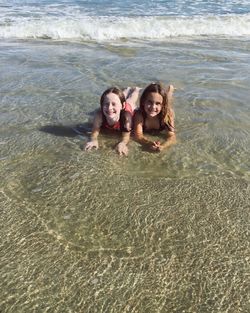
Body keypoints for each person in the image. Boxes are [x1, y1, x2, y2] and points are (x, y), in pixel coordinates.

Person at [84, 86, 140, 156]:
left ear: (122, 106)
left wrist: (122, 143)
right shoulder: (99, 115)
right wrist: (93, 140)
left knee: (131, 99)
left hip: (127, 108)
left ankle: (136, 90)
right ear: (101, 106)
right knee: (118, 96)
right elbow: (95, 131)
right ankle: (127, 89)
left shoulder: (126, 118)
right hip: (118, 104)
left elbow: (126, 136)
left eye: (113, 104)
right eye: (106, 104)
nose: (109, 108)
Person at [133, 82, 176, 152]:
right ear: (143, 101)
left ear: (162, 105)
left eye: (158, 103)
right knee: (164, 98)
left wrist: (163, 146)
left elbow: (172, 136)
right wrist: (149, 143)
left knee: (168, 98)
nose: (153, 107)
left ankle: (170, 89)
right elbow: (138, 136)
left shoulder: (167, 115)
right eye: (149, 102)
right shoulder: (139, 115)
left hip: (165, 109)